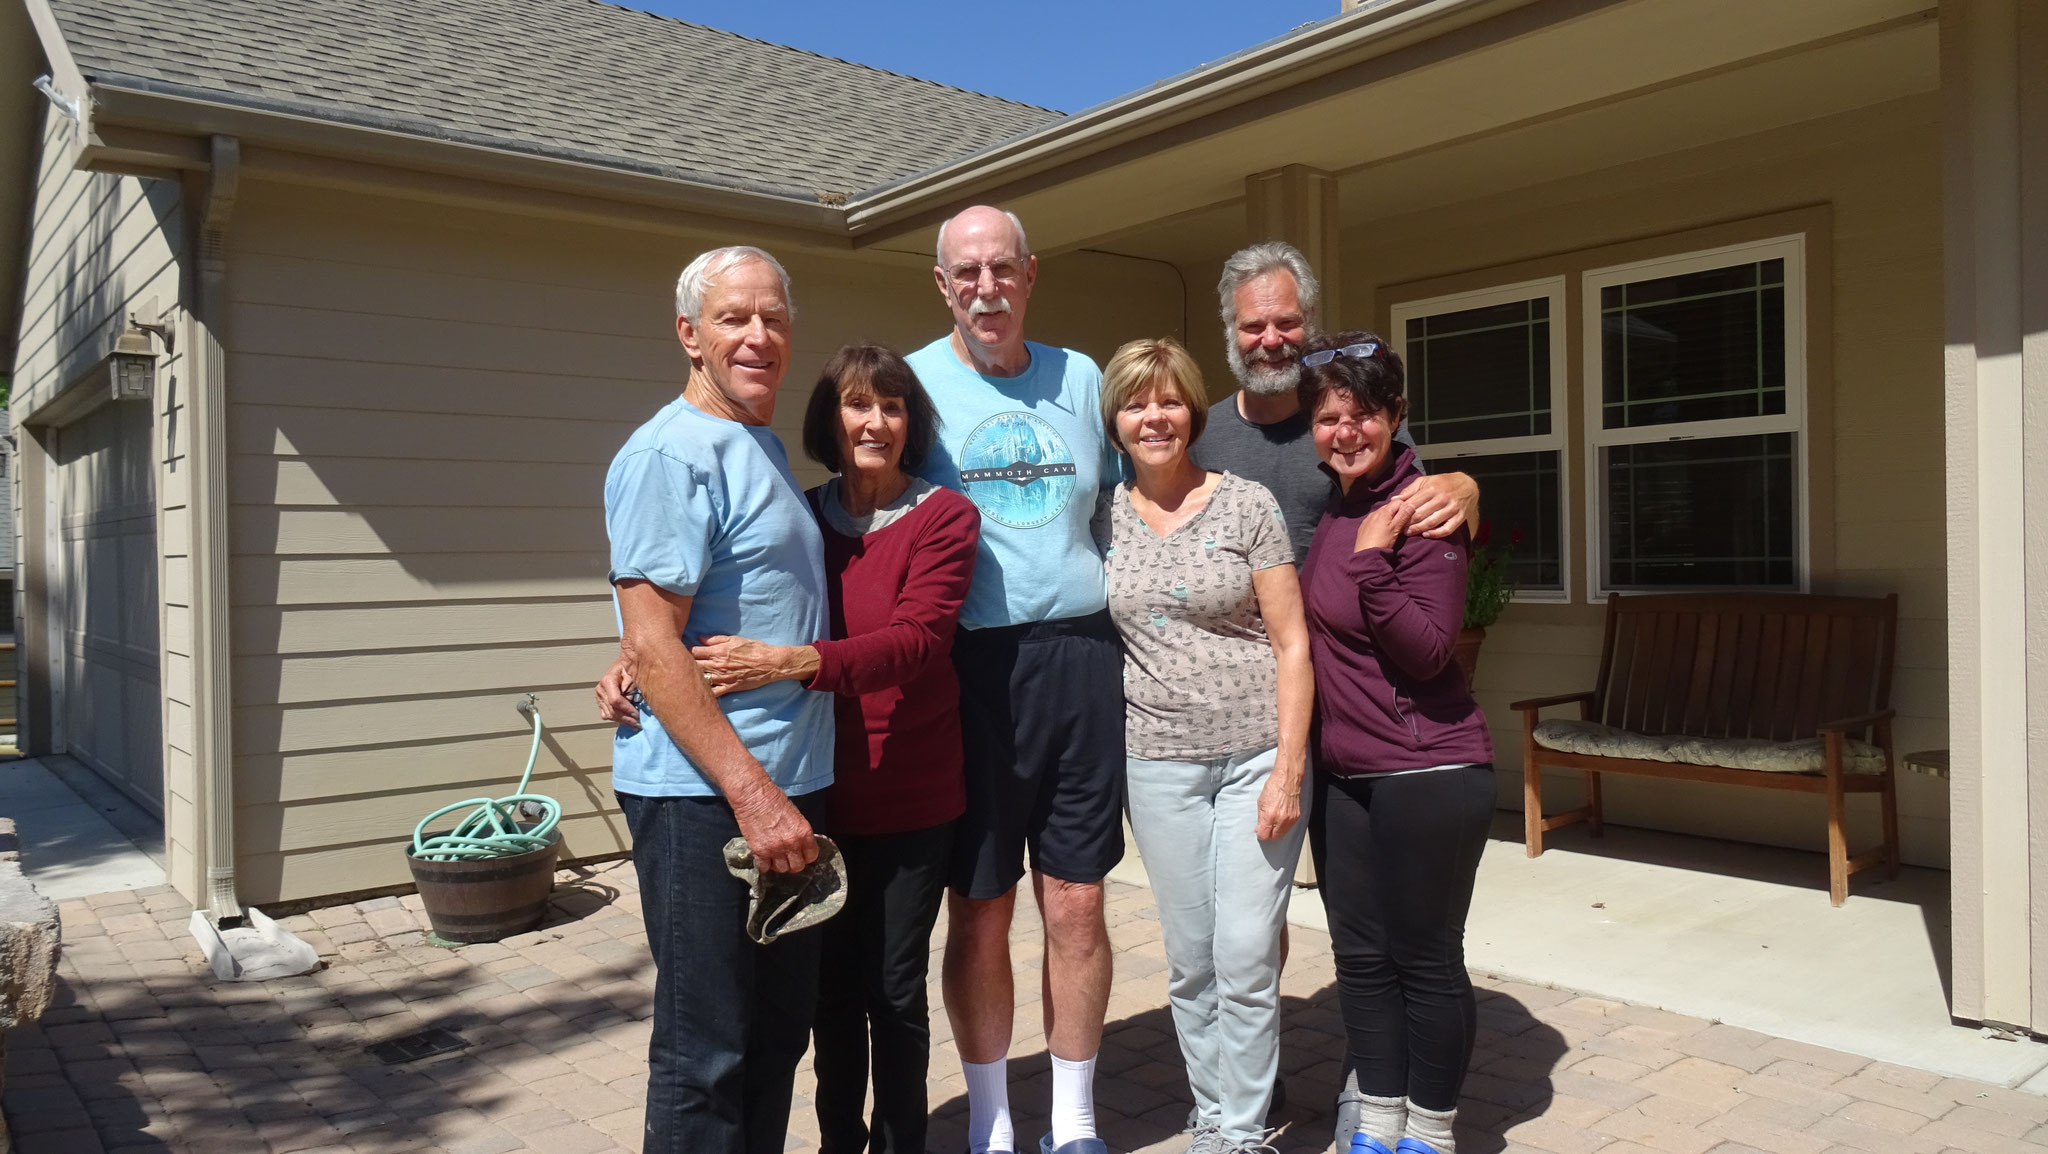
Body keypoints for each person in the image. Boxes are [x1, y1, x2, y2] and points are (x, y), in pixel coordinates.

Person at [599, 345, 981, 1154]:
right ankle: (840, 1141)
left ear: (911, 424)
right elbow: (710, 592)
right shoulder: (801, 507)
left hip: (907, 792)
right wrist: (636, 655)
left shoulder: (944, 515)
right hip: (818, 790)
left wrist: (793, 663)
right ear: (830, 420)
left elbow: (916, 641)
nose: (873, 421)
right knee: (823, 999)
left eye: (892, 406)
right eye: (855, 404)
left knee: (892, 991)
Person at [1190, 241, 1480, 1139]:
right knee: (1280, 931)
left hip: (1392, 741)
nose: (1271, 337)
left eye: (1286, 322)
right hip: (1279, 732)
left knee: (1407, 947)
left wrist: (1468, 487)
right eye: (1253, 324)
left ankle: (1389, 1104)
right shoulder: (1203, 433)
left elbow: (1427, 516)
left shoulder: (1362, 441)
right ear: (1230, 332)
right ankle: (1261, 1089)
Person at [602, 245, 832, 1154]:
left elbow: (669, 623)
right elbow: (657, 644)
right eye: (734, 318)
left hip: (778, 792)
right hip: (710, 801)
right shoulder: (669, 451)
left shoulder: (755, 445)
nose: (758, 336)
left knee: (772, 1040)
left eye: (773, 317)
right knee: (705, 1053)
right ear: (689, 335)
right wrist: (754, 793)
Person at [909, 206, 1123, 1154]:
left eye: (1002, 269)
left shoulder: (1081, 377)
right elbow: (843, 516)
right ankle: (992, 1121)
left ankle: (1072, 1123)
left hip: (1081, 658)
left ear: (1030, 275)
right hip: (973, 669)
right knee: (982, 906)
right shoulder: (911, 387)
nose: (986, 287)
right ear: (943, 284)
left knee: (1076, 901)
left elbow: (1153, 485)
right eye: (968, 272)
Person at [1092, 338, 1313, 1154]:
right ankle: (1215, 1111)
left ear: (1194, 410)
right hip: (1158, 763)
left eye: (1171, 400)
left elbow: (1293, 643)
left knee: (1248, 954)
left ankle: (1243, 1132)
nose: (1155, 417)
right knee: (1191, 959)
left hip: (1258, 754)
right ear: (1115, 420)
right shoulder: (1101, 513)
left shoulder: (1247, 503)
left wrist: (1289, 768)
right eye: (1136, 403)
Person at [1295, 332, 1496, 1154]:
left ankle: (1431, 1132)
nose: (1346, 431)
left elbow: (1428, 649)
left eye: (1365, 414)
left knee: (1425, 960)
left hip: (1430, 769)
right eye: (1330, 416)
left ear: (1397, 419)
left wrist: (1376, 564)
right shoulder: (1338, 507)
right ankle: (1378, 1121)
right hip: (1347, 776)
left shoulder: (1423, 510)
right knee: (1363, 959)